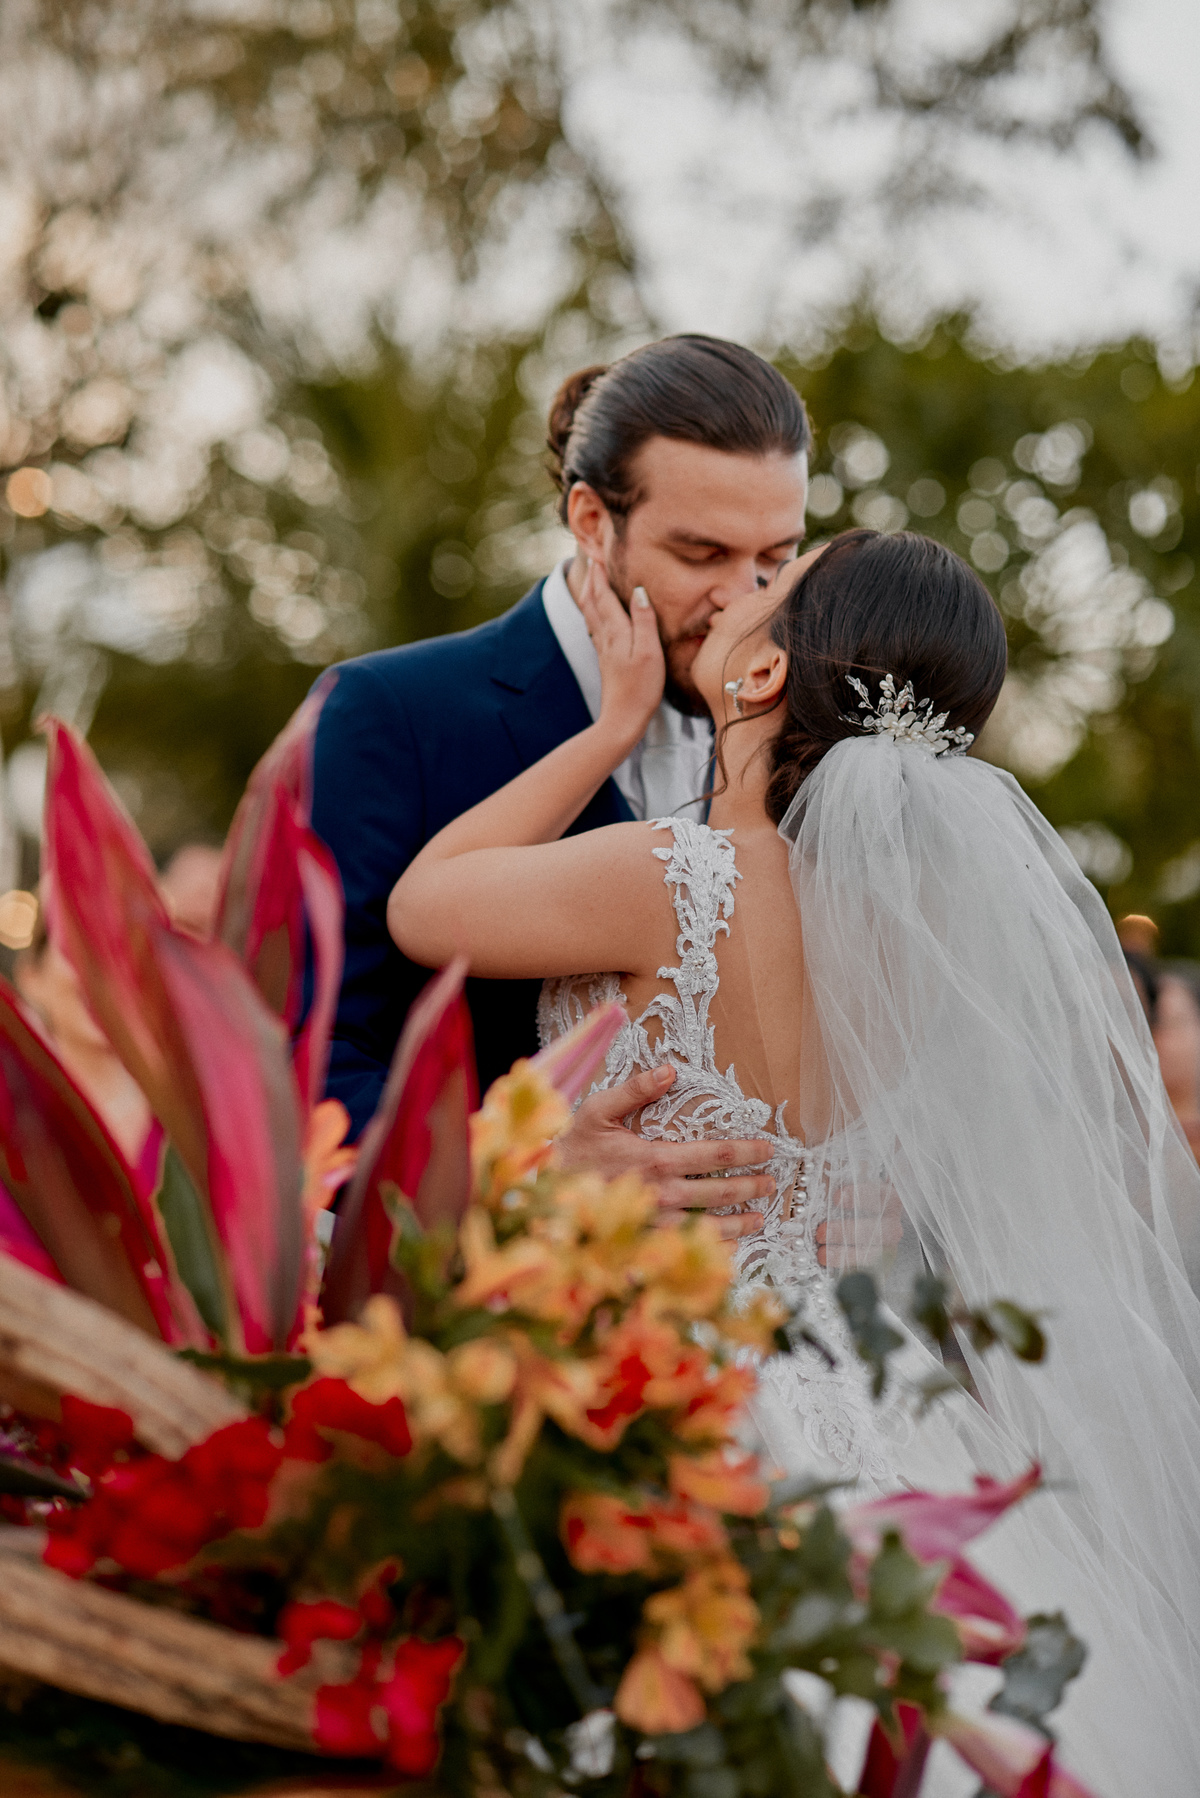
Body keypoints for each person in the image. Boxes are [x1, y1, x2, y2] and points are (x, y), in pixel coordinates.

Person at [389, 528, 1200, 1796]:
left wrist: (609, 729)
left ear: (763, 679)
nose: (734, 592)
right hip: (876, 1389)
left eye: (769, 586)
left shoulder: (674, 874)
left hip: (677, 1371)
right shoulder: (917, 939)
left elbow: (420, 901)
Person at [312, 333, 812, 1237]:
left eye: (776, 559)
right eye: (703, 555)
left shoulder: (805, 742)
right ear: (591, 520)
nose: (746, 599)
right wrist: (520, 1167)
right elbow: (305, 1060)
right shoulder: (391, 714)